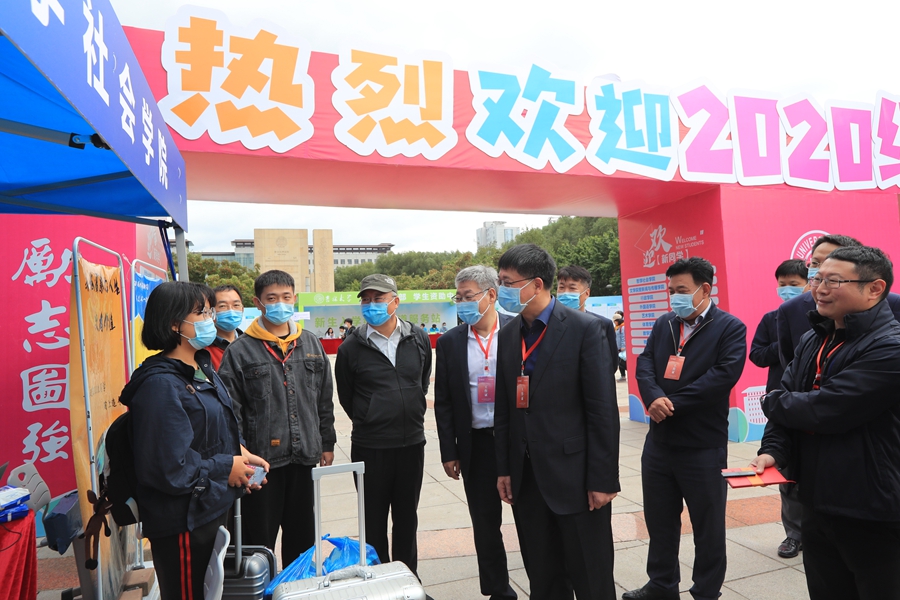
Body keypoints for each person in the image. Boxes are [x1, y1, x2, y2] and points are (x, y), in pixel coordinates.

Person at [752, 246, 900, 599]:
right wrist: (773, 450)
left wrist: (772, 401)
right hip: (816, 501)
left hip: (871, 506)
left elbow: (827, 409)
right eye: (816, 278)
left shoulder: (890, 347)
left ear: (874, 288)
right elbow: (788, 397)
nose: (818, 289)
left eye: (832, 281)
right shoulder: (813, 337)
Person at [119, 281, 269, 600]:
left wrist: (240, 454)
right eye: (202, 313)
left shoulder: (199, 367)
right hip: (182, 521)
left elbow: (212, 426)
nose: (211, 319)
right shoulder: (160, 386)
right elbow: (169, 468)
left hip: (207, 506)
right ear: (175, 324)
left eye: (210, 311)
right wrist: (226, 467)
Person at [494, 244, 620, 599]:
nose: (501, 289)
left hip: (577, 479)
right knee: (543, 576)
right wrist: (505, 468)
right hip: (527, 478)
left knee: (591, 577)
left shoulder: (585, 329)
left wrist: (603, 479)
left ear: (536, 284)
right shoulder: (508, 335)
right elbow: (504, 408)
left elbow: (602, 411)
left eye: (507, 282)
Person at [626, 257, 746, 600]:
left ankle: (706, 590)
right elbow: (645, 363)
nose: (675, 297)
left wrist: (671, 404)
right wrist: (653, 397)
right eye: (671, 290)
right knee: (660, 520)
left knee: (708, 524)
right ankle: (661, 585)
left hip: (702, 445)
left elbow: (722, 376)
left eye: (682, 290)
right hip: (660, 444)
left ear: (704, 289)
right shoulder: (664, 323)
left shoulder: (730, 327)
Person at [218, 270, 336, 567]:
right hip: (261, 464)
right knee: (259, 545)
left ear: (294, 299)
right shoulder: (239, 351)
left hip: (304, 456)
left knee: (303, 542)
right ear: (258, 303)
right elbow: (231, 411)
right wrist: (239, 455)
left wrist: (327, 442)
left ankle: (297, 587)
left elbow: (323, 399)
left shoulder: (311, 344)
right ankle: (261, 587)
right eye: (272, 298)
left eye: (286, 297)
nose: (280, 304)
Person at [335, 274, 432, 576]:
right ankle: (378, 582)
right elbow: (347, 397)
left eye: (378, 298)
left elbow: (422, 382)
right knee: (373, 522)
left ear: (395, 301)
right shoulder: (350, 347)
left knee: (407, 519)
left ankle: (406, 580)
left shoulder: (418, 338)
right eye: (366, 300)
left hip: (411, 444)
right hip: (371, 447)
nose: (371, 305)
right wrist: (371, 416)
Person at [434, 266, 517, 600]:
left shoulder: (518, 331)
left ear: (491, 295)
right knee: (485, 523)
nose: (462, 303)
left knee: (531, 518)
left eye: (468, 296)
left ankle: (545, 583)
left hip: (516, 441)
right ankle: (499, 590)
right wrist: (449, 450)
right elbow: (443, 402)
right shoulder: (450, 342)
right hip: (477, 444)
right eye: (458, 297)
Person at [748, 258, 807, 559]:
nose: (786, 290)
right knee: (787, 468)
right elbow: (756, 354)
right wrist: (786, 343)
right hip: (782, 398)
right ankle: (793, 535)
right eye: (782, 285)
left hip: (814, 401)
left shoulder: (825, 316)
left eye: (793, 285)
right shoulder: (773, 318)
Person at [556, 265, 619, 376]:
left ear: (587, 293)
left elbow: (610, 365)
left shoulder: (603, 324)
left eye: (572, 288)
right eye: (561, 288)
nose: (565, 293)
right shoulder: (549, 322)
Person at [208, 284, 245, 370]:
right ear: (211, 312)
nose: (231, 311)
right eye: (222, 306)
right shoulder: (203, 349)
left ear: (242, 309)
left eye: (236, 305)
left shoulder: (252, 344)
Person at [614, 313, 627, 381]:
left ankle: (625, 375)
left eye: (615, 321)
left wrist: (623, 346)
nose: (614, 323)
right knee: (620, 362)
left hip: (622, 348)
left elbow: (623, 337)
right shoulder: (617, 327)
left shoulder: (623, 327)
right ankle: (623, 376)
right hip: (618, 347)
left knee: (622, 362)